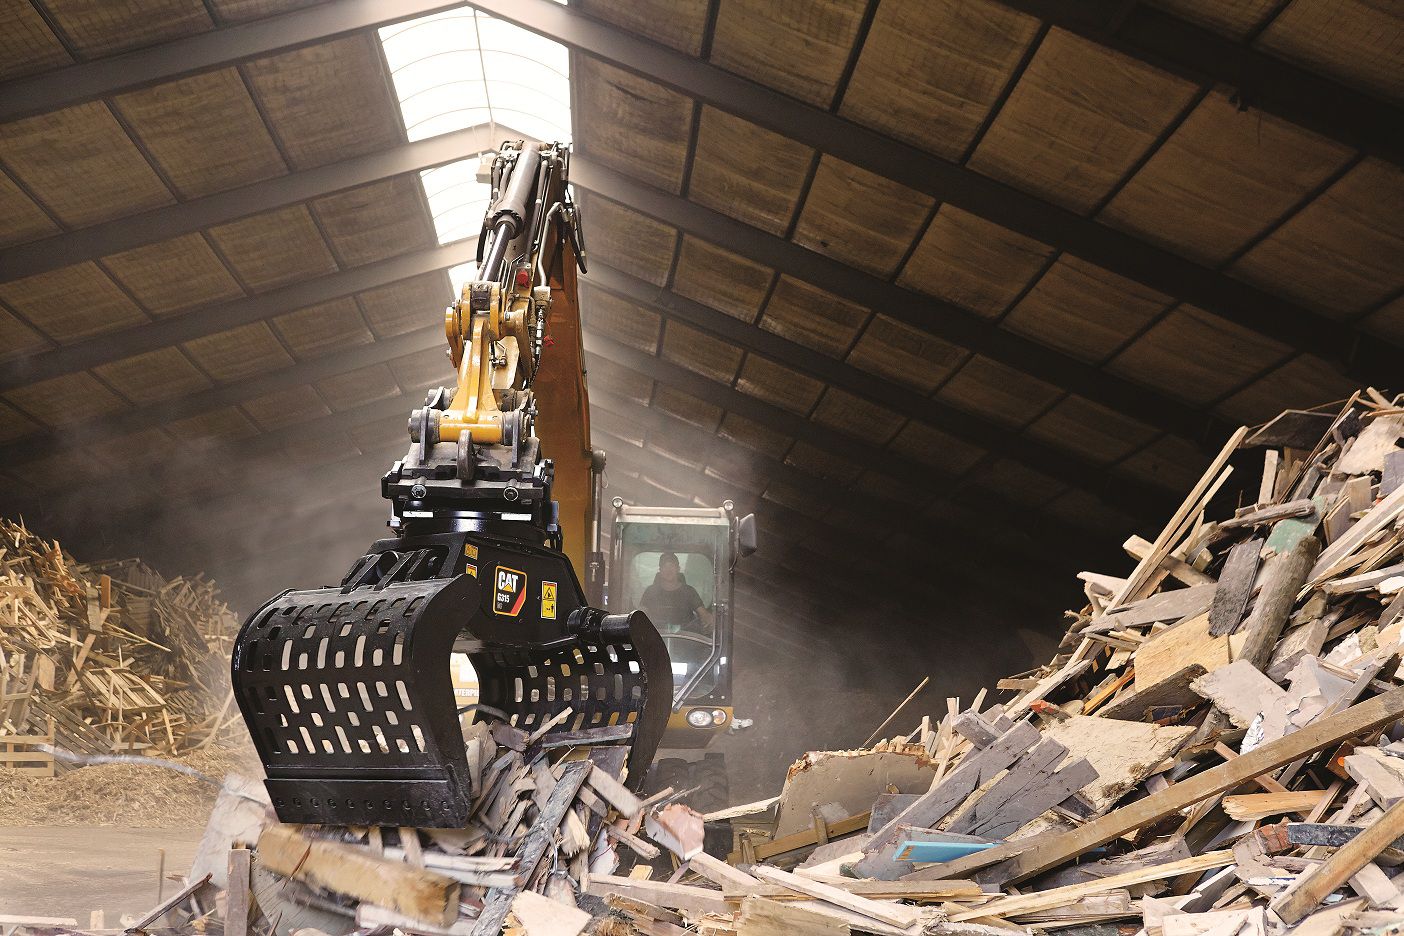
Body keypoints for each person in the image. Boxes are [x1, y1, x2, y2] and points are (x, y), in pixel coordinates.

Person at [640, 552, 714, 632]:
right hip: (655, 638)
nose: (668, 570)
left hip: (686, 638)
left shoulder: (689, 592)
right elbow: (639, 616)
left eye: (672, 566)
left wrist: (709, 620)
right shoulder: (650, 592)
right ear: (660, 570)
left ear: (678, 569)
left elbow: (705, 615)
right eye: (665, 566)